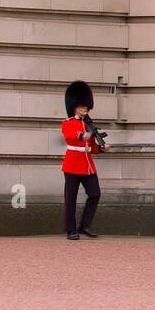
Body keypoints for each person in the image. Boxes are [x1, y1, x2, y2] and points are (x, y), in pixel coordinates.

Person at [62, 81, 110, 240]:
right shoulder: (67, 123)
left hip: (88, 165)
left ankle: (84, 225)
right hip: (72, 164)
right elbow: (70, 136)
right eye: (82, 106)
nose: (85, 109)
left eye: (86, 107)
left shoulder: (89, 124)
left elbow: (92, 146)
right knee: (71, 199)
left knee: (95, 193)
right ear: (74, 107)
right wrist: (82, 136)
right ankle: (71, 229)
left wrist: (101, 148)